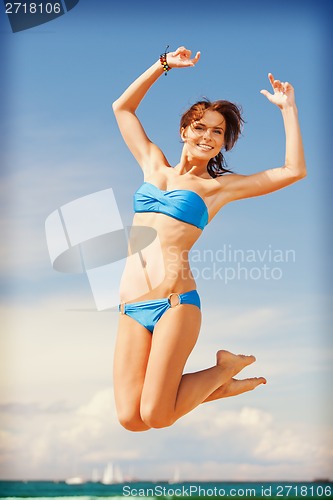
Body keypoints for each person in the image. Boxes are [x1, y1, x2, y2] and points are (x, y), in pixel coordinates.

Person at [112, 46, 306, 432]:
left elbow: (292, 170)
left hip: (175, 304)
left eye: (218, 132)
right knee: (131, 419)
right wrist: (163, 64)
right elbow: (123, 109)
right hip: (130, 308)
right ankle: (222, 382)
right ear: (184, 130)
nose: (208, 136)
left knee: (157, 414)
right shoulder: (152, 164)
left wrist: (288, 109)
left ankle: (223, 369)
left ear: (223, 143)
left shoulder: (219, 188)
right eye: (201, 127)